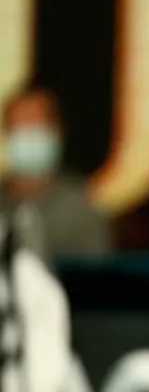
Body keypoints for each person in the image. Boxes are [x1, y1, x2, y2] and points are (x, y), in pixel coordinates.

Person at [1, 86, 112, 264]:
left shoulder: (81, 206)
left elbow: (97, 278)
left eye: (37, 126)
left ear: (57, 132)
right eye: (21, 126)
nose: (29, 137)